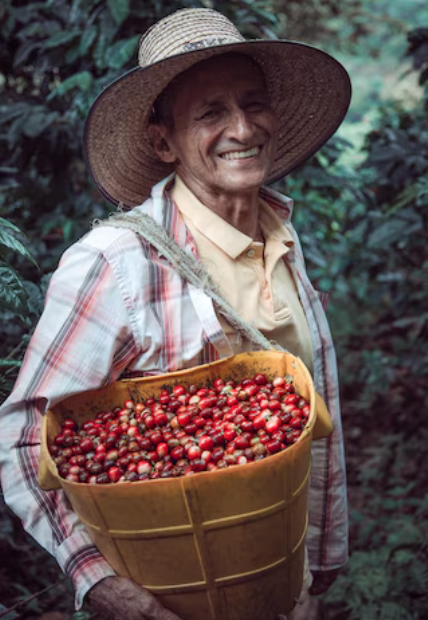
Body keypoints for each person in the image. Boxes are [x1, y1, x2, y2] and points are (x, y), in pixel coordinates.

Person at [0, 8, 351, 620]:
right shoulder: (116, 263)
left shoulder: (282, 237)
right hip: (172, 595)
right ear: (163, 141)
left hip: (283, 586)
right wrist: (102, 583)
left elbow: (308, 419)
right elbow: (25, 439)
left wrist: (312, 572)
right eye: (210, 113)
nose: (242, 127)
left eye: (253, 103)